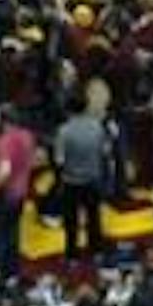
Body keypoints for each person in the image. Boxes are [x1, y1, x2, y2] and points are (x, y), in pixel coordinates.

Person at [54, 84, 111, 258]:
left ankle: (72, 253)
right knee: (94, 217)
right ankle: (96, 250)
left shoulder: (63, 131)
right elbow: (106, 152)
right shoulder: (97, 127)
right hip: (93, 179)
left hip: (71, 182)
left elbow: (59, 160)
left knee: (71, 221)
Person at [0, 105, 38, 289]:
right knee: (13, 232)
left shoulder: (4, 141)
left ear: (4, 120)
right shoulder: (27, 136)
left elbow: (4, 170)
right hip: (21, 192)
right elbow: (33, 160)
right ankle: (12, 270)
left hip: (5, 193)